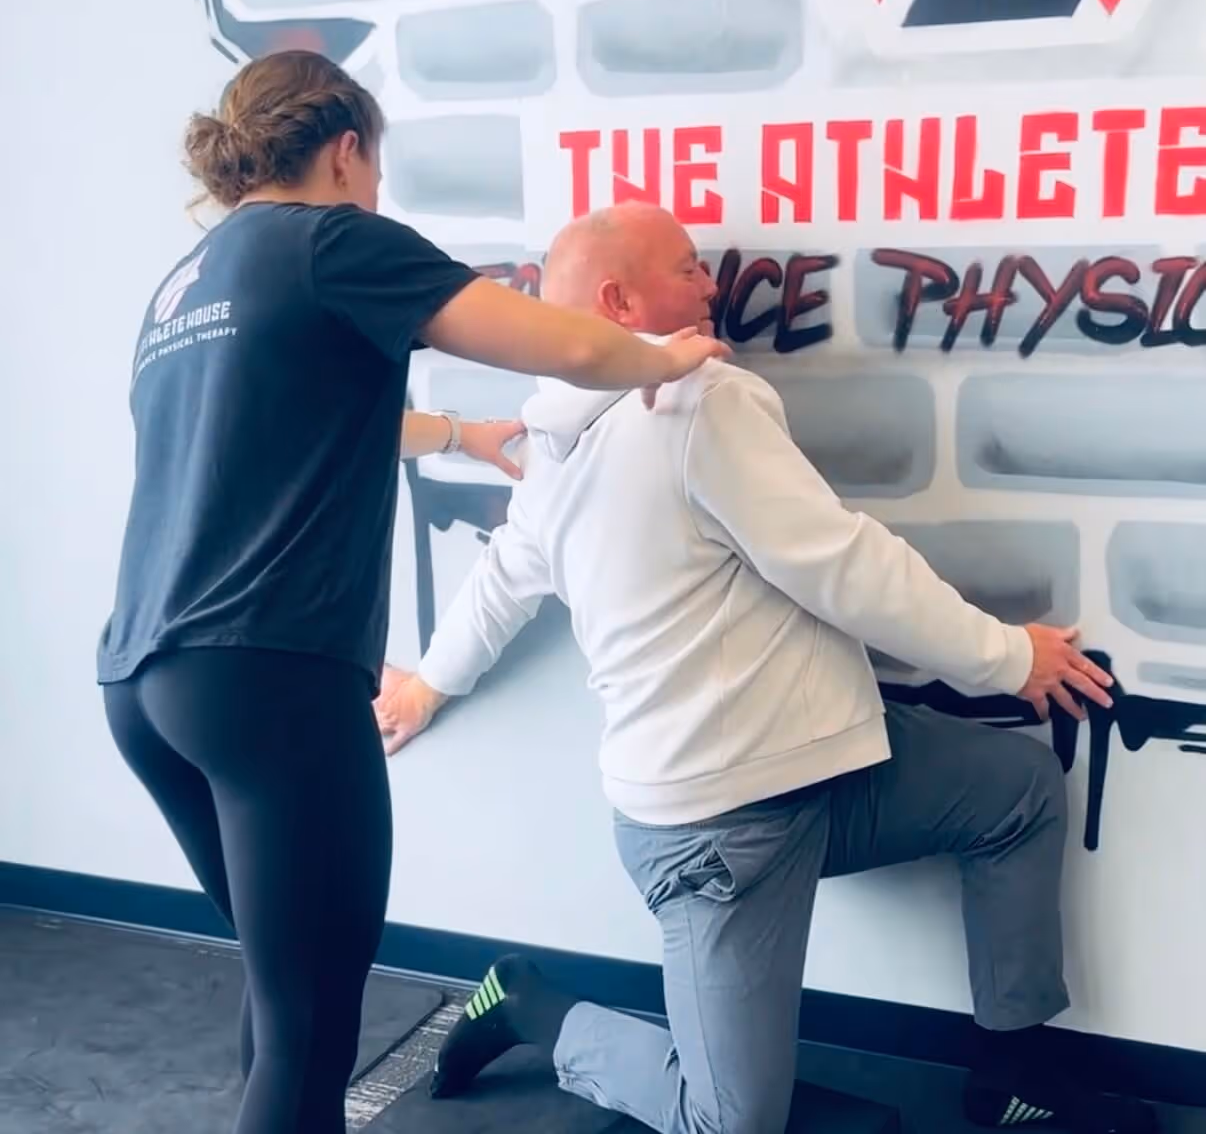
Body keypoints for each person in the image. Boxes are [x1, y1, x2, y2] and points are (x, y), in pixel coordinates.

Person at [376, 202, 1156, 1134]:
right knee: (728, 1121)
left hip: (831, 767)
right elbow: (842, 565)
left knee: (1015, 790)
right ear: (621, 302)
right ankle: (532, 1007)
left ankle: (1014, 1070)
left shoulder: (569, 434)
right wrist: (1009, 657)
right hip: (717, 832)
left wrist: (429, 680)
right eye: (688, 267)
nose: (712, 284)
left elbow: (504, 578)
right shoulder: (686, 403)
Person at [96, 57, 726, 1134]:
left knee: (284, 991)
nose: (378, 191)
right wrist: (664, 357)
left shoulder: (189, 282)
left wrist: (458, 435)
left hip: (145, 685)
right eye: (377, 170)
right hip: (267, 677)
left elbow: (292, 413)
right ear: (347, 151)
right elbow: (571, 341)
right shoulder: (333, 239)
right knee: (308, 1028)